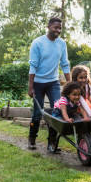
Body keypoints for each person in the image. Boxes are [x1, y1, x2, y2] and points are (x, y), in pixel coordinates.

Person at [28, 17, 71, 150]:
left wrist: (70, 84)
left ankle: (52, 143)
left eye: (60, 28)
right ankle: (32, 138)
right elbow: (33, 66)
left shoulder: (62, 43)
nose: (58, 30)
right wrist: (30, 87)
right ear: (48, 26)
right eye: (55, 27)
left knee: (57, 111)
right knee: (37, 113)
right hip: (38, 83)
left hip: (53, 82)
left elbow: (64, 63)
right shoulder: (38, 43)